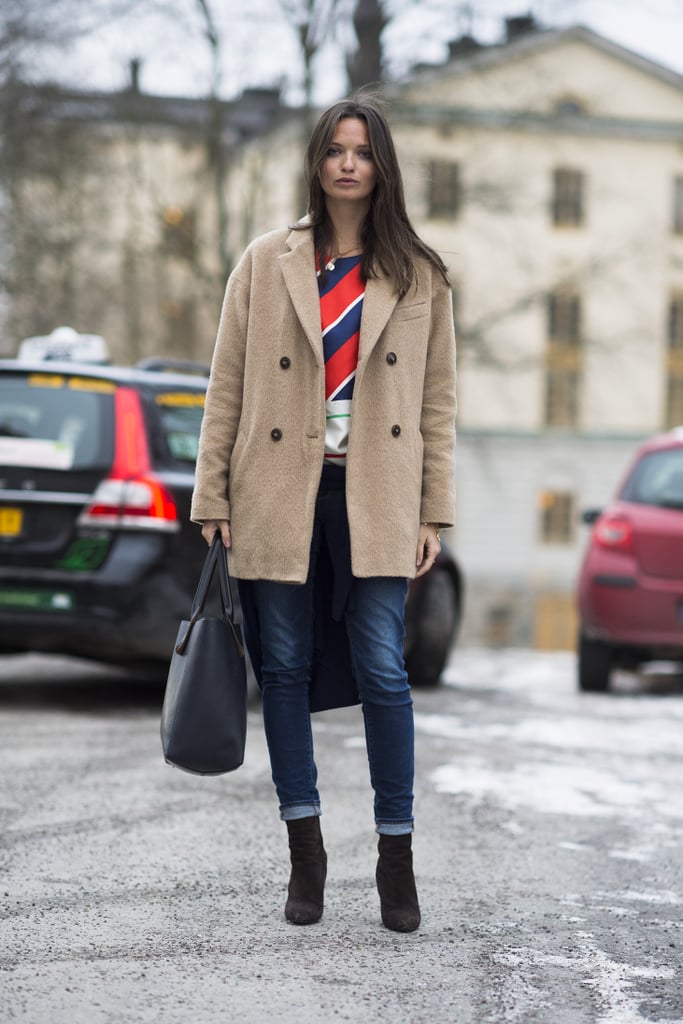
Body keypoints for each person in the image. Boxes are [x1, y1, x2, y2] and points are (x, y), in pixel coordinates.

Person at [191, 96, 456, 933]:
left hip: (377, 492)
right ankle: (305, 856)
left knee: (383, 666)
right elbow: (226, 382)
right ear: (315, 161)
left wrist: (433, 513)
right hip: (277, 488)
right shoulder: (267, 261)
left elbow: (438, 404)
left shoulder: (419, 273)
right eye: (334, 149)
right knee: (286, 670)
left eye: (362, 151)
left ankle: (395, 856)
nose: (348, 163)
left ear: (382, 166)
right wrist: (211, 493)